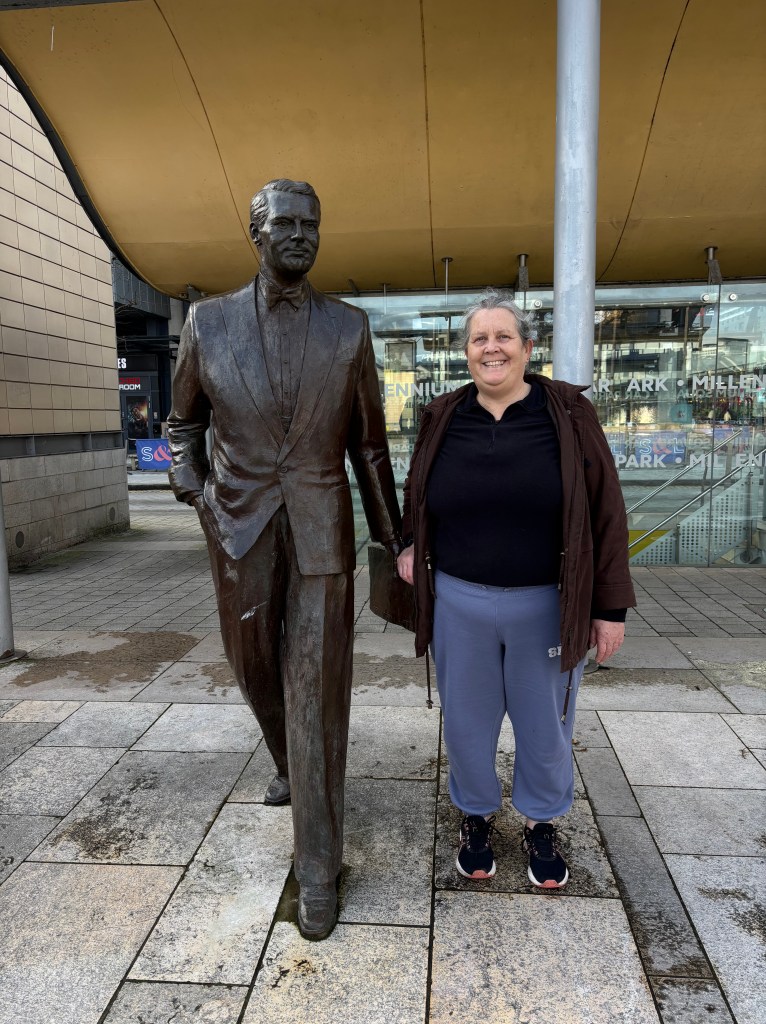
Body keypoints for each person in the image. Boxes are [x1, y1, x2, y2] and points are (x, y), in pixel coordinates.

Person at [167, 179, 401, 939]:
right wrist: (193, 488)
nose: (300, 235)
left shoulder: (349, 328)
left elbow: (369, 445)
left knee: (315, 686)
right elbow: (181, 426)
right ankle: (288, 764)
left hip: (320, 531)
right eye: (285, 224)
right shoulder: (208, 321)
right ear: (255, 232)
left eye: (312, 224)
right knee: (255, 669)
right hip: (236, 528)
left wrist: (394, 539)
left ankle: (318, 865)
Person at [397, 290, 635, 888]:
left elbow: (606, 511)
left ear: (528, 348)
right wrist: (407, 543)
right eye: (480, 339)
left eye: (504, 337)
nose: (492, 348)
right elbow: (417, 492)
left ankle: (540, 821)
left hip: (546, 604)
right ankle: (475, 815)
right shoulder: (443, 416)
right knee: (468, 724)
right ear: (467, 352)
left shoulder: (569, 416)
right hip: (459, 600)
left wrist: (609, 607)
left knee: (544, 725)